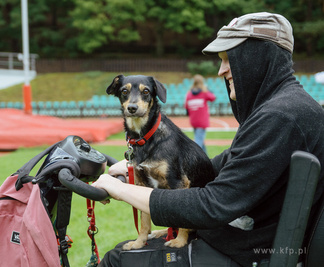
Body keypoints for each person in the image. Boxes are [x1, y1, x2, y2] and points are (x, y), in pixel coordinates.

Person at [93, 12, 324, 267]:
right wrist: (134, 171)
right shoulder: (284, 108)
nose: (220, 70)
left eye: (228, 59)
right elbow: (215, 170)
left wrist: (122, 190)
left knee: (116, 260)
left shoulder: (281, 116)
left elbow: (213, 204)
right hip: (242, 241)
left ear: (257, 57)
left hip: (247, 253)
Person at [184, 74, 216, 154]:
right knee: (198, 141)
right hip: (202, 121)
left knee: (200, 139)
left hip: (193, 121)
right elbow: (213, 98)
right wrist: (208, 89)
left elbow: (186, 106)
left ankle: (207, 158)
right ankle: (192, 157)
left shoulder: (189, 94)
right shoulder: (204, 92)